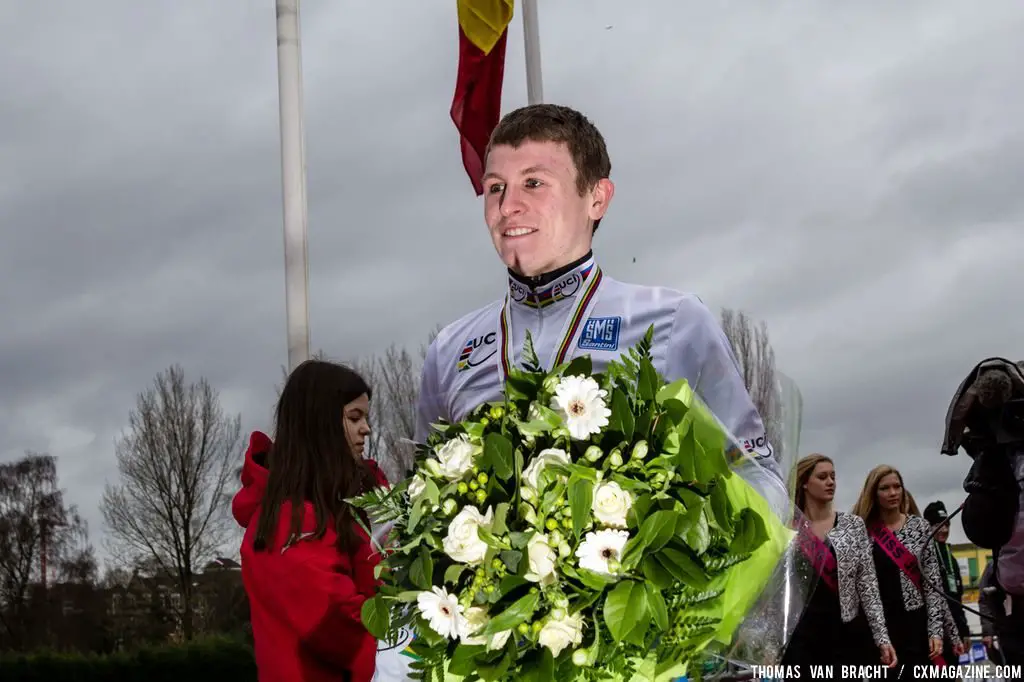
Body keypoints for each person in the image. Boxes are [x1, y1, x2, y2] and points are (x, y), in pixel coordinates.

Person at [414, 103, 787, 515]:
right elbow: (413, 504)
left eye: (534, 183)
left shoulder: (675, 320)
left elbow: (757, 474)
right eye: (496, 187)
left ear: (597, 198)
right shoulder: (450, 350)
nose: (507, 207)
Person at [232, 360, 388, 682]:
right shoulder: (287, 522)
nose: (367, 429)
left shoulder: (344, 507)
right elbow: (342, 625)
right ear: (320, 424)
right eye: (354, 417)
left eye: (366, 417)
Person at [782, 454, 896, 675]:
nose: (831, 482)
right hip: (800, 637)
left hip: (846, 635)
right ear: (804, 482)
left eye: (833, 476)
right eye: (822, 477)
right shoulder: (788, 528)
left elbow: (868, 586)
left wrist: (882, 637)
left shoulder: (853, 525)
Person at [852, 466, 945, 678]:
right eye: (885, 488)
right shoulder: (863, 531)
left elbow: (933, 585)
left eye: (897, 486)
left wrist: (935, 632)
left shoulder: (920, 527)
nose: (893, 493)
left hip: (915, 625)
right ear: (873, 493)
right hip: (877, 626)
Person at [923, 500, 970, 665]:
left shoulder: (951, 558)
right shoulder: (924, 556)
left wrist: (964, 632)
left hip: (954, 633)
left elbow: (957, 600)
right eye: (938, 525)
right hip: (934, 636)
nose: (944, 530)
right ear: (927, 527)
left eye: (947, 525)